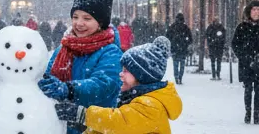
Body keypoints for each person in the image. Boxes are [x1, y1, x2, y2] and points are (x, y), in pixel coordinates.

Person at [39, 0, 123, 134]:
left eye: (87, 18)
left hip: (94, 128)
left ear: (100, 23)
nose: (79, 23)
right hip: (62, 127)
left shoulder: (111, 52)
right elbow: (47, 76)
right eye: (75, 17)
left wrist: (69, 89)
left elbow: (103, 85)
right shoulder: (63, 48)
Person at [54, 36, 182, 134]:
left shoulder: (151, 106)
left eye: (126, 71)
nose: (120, 74)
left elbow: (118, 122)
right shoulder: (133, 99)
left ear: (141, 76)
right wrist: (89, 127)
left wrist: (83, 115)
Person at [232, 0, 259, 125]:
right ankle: (248, 113)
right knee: (248, 89)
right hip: (246, 64)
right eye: (254, 10)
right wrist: (244, 57)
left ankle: (256, 115)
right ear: (249, 11)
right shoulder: (242, 27)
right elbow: (235, 44)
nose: (257, 13)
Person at [165, 13, 193, 85]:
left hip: (174, 49)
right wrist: (186, 43)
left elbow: (167, 37)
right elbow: (190, 39)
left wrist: (171, 44)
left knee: (175, 64)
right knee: (182, 64)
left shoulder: (172, 27)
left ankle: (176, 77)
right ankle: (180, 77)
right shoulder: (185, 27)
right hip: (183, 49)